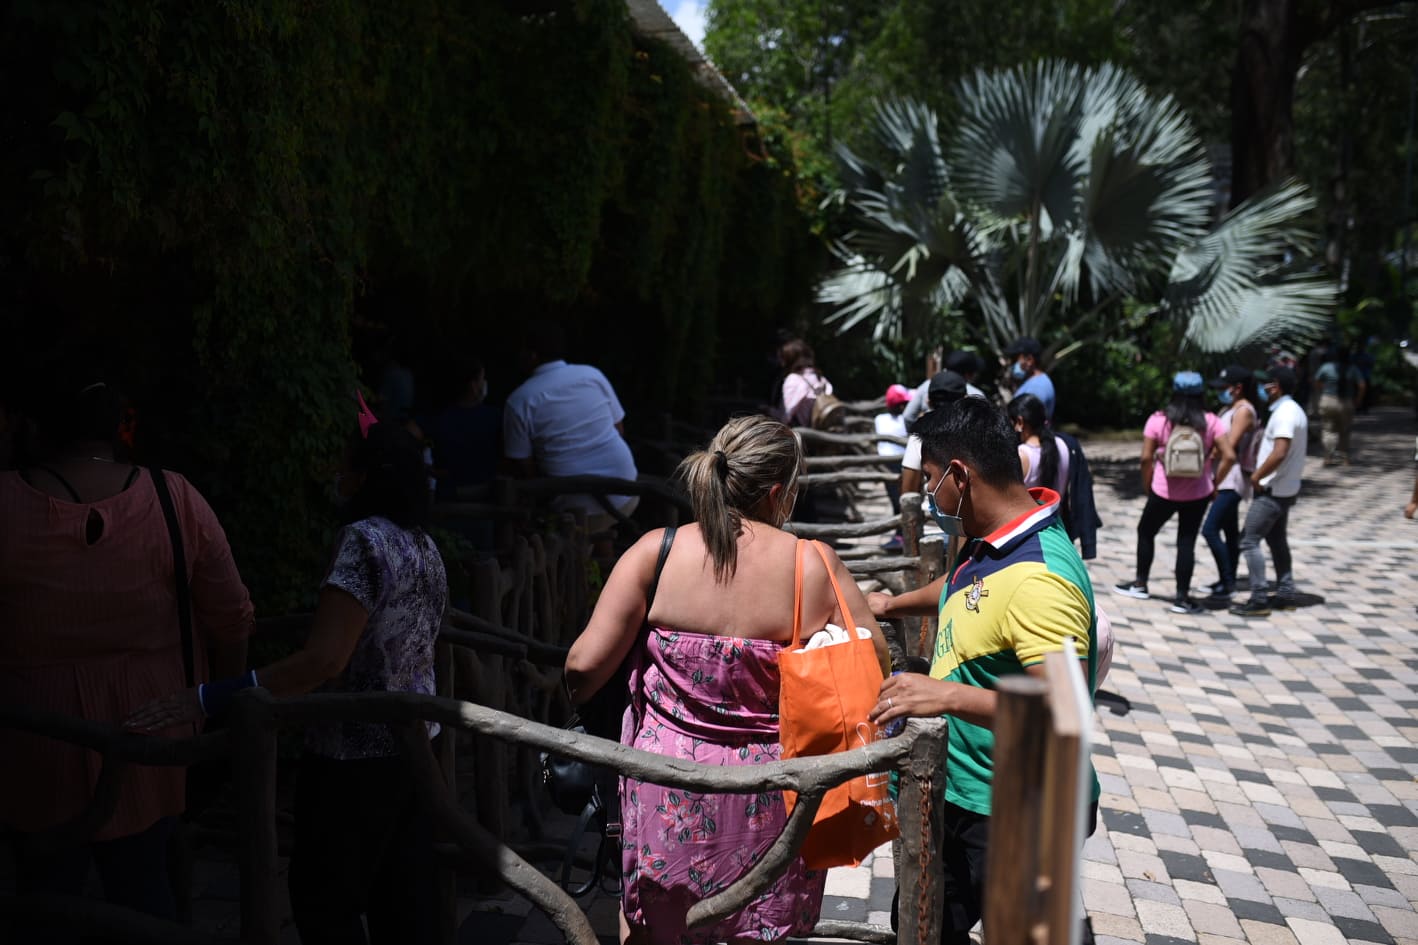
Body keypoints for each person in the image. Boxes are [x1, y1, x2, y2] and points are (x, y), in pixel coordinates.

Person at [564, 415, 889, 945]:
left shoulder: (658, 552)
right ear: (779, 491)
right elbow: (873, 663)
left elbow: (582, 667)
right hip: (776, 793)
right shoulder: (812, 565)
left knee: (662, 926)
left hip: (665, 781)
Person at [130, 413, 448, 945]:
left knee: (324, 901)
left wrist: (209, 697)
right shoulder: (423, 545)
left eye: (346, 463)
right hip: (413, 751)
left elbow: (324, 659)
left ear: (367, 474)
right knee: (403, 902)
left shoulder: (363, 542)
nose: (336, 473)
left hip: (350, 759)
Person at [1, 370, 253, 936]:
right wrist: (214, 705)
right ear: (119, 426)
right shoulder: (173, 496)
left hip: (33, 737)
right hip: (150, 731)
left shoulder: (7, 504)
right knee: (143, 887)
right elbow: (232, 615)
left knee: (45, 894)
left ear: (35, 428)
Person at [864, 398, 1098, 945]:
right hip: (969, 791)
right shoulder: (992, 538)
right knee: (923, 923)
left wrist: (942, 696)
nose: (927, 494)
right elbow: (961, 593)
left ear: (960, 476)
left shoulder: (1040, 579)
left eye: (929, 479)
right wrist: (892, 605)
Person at [1113, 372, 1234, 615]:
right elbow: (1229, 456)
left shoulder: (1159, 420)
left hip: (1163, 490)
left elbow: (1146, 458)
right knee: (1186, 542)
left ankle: (1140, 583)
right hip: (1198, 493)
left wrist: (1148, 486)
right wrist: (1214, 483)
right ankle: (1181, 598)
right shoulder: (1211, 421)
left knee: (1146, 531)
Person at [503, 321, 639, 538]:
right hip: (626, 489)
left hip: (571, 504)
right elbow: (619, 429)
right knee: (601, 529)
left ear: (532, 355)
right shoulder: (592, 375)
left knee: (569, 532)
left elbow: (523, 464)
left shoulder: (520, 400)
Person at [1230, 366, 1308, 617]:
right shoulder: (1294, 410)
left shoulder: (1285, 414)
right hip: (1285, 488)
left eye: (1267, 384)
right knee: (1276, 540)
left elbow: (1280, 451)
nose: (1263, 389)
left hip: (1272, 489)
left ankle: (1259, 598)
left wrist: (1257, 475)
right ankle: (1285, 593)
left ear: (1275, 386)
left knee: (1249, 540)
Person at [1200, 365, 1259, 599]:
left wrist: (1214, 480)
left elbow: (1229, 447)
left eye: (1224, 388)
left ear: (1238, 388)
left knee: (1210, 530)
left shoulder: (1244, 410)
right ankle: (1228, 580)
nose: (1220, 392)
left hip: (1231, 479)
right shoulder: (1229, 408)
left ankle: (1227, 581)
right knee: (1229, 532)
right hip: (1223, 476)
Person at [900, 370, 968, 496]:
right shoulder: (976, 433)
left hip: (932, 513)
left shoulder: (920, 437)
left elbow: (908, 494)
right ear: (965, 400)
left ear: (928, 401)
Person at [1311, 345, 1366, 465]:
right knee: (1345, 430)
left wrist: (1322, 391)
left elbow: (1317, 381)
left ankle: (1328, 456)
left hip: (1328, 400)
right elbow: (1362, 385)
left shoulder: (1326, 367)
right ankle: (1344, 457)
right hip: (1346, 402)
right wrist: (1358, 399)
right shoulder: (1352, 369)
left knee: (1327, 429)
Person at [903, 350, 984, 429]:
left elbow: (907, 416)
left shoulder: (927, 385)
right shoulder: (976, 394)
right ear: (968, 374)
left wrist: (918, 437)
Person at [1006, 393, 1068, 497]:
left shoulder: (1021, 455)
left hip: (1032, 513)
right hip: (1057, 512)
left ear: (1020, 422)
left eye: (1011, 422)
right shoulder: (1062, 444)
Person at [877, 384, 912, 551]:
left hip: (885, 465)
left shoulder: (879, 419)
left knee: (896, 501)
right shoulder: (905, 421)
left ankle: (900, 535)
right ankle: (902, 536)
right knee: (901, 502)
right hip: (899, 464)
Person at [774, 338, 835, 428]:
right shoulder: (820, 378)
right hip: (823, 427)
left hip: (804, 431)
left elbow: (787, 414)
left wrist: (771, 412)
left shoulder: (793, 379)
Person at [1005, 337, 1056, 420]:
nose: (1012, 363)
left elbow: (1027, 424)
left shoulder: (1036, 388)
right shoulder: (1035, 382)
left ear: (1029, 360)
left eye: (1014, 359)